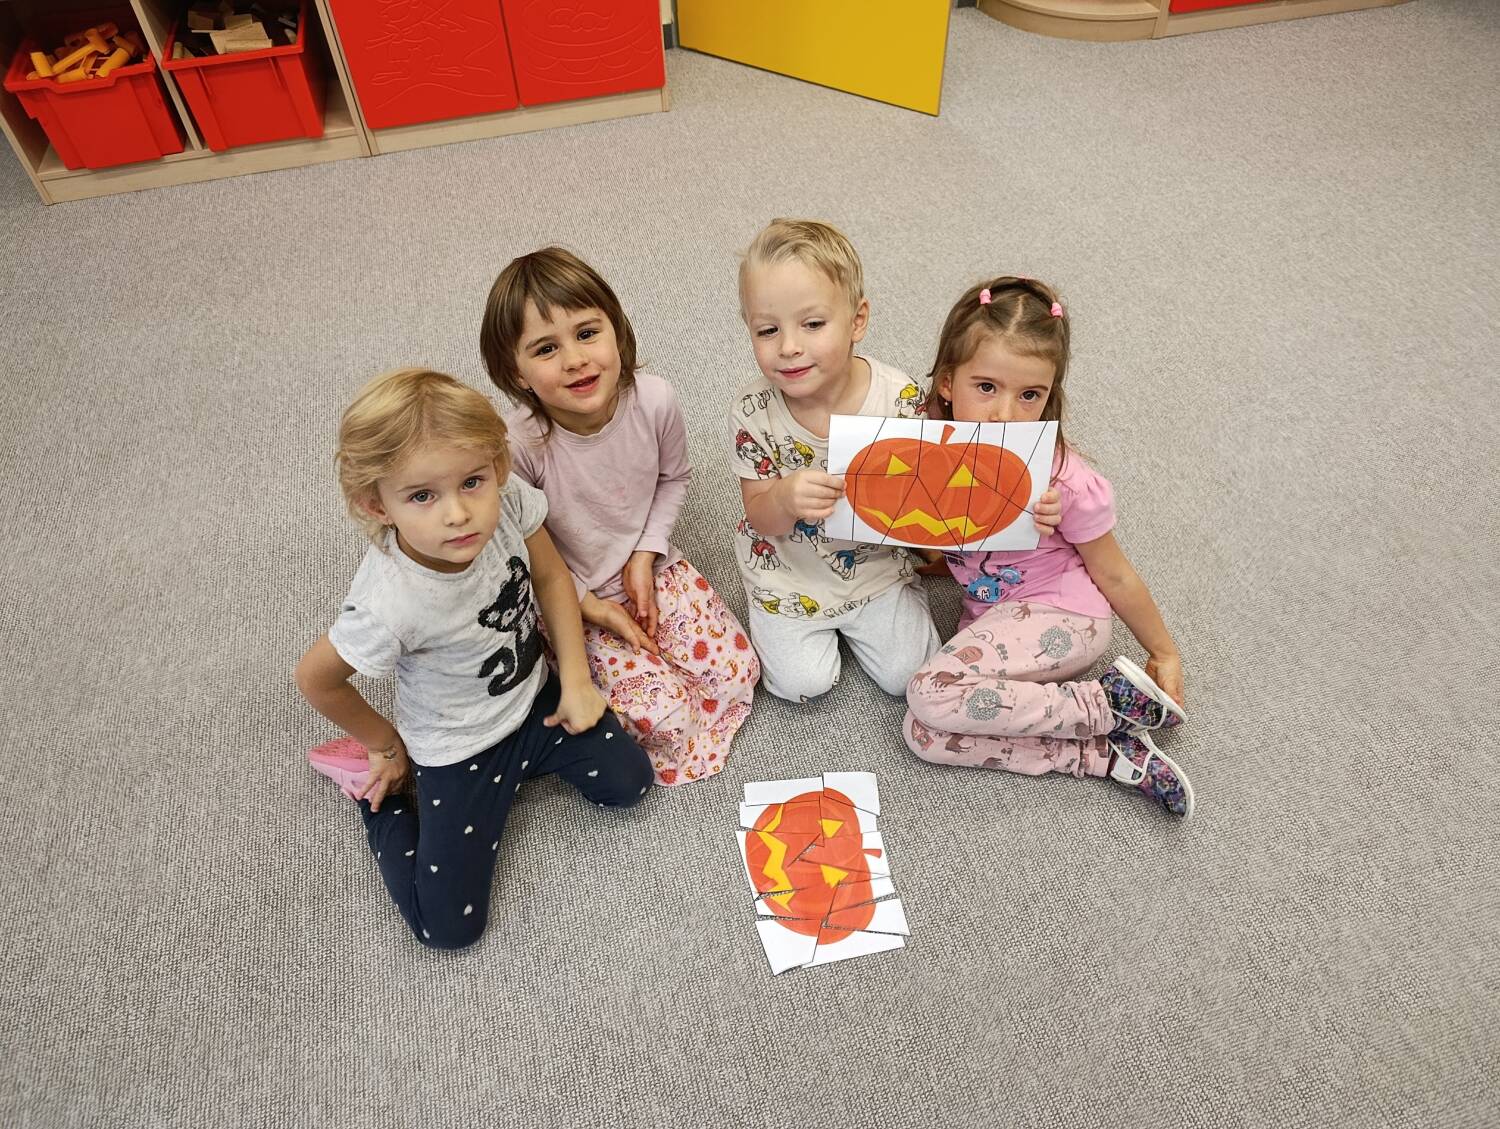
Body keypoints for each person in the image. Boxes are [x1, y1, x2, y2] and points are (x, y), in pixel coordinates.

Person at [294, 368, 653, 948]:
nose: (458, 513)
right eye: (422, 496)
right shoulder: (389, 603)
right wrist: (385, 745)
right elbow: (316, 679)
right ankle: (373, 796)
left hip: (535, 701)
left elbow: (550, 577)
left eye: (471, 482)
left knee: (630, 784)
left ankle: (525, 767)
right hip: (456, 747)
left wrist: (577, 681)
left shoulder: (507, 502)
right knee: (448, 928)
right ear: (376, 504)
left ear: (498, 467)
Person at [729, 220, 1061, 702]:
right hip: (789, 574)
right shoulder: (752, 411)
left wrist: (1028, 507)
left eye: (813, 324)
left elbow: (952, 485)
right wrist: (783, 497)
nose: (789, 346)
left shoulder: (899, 397)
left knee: (911, 676)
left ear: (857, 320)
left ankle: (892, 609)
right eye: (767, 330)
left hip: (878, 570)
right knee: (801, 685)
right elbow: (759, 515)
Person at [902, 278, 1195, 818]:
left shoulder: (1064, 480)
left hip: (1066, 615)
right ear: (947, 382)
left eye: (1029, 395)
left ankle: (1106, 703)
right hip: (996, 616)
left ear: (1049, 395)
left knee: (929, 692)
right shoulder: (929, 450)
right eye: (985, 387)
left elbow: (1114, 573)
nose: (1006, 414)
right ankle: (1100, 756)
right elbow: (942, 534)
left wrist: (1165, 652)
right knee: (923, 734)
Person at [481, 248, 758, 785]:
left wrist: (646, 552)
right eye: (546, 348)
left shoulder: (654, 399)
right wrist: (592, 607)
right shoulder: (519, 445)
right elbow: (521, 550)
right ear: (517, 373)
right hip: (571, 595)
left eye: (587, 333)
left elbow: (673, 478)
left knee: (737, 671)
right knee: (665, 718)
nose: (575, 359)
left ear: (616, 330)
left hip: (650, 567)